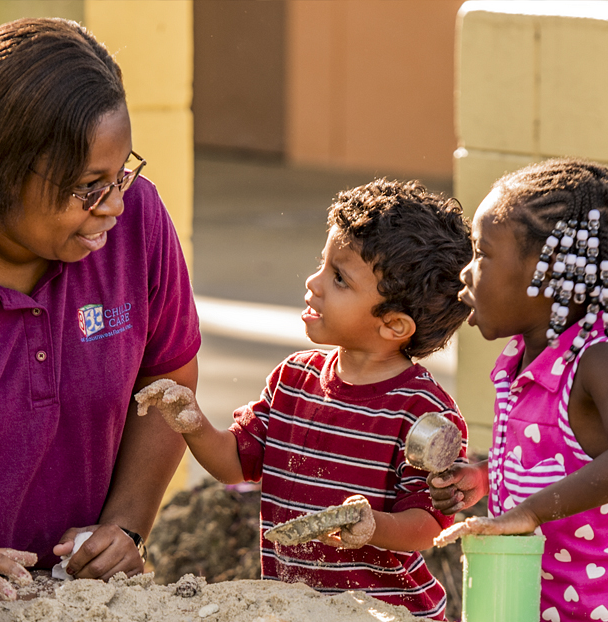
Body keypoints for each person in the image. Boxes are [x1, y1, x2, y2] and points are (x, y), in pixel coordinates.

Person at [0, 18, 200, 603]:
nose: (116, 205)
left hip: (65, 595)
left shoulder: (139, 224)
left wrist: (126, 527)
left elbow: (167, 376)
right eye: (88, 187)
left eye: (122, 173)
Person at [137, 179, 472, 619]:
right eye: (322, 263)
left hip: (386, 612)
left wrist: (374, 525)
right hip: (294, 607)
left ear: (394, 325)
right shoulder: (293, 378)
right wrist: (192, 422)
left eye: (339, 278)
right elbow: (236, 464)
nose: (313, 283)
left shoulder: (424, 413)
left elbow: (429, 525)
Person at [430, 158, 608, 621]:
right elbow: (555, 459)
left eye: (481, 254)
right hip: (545, 606)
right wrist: (486, 477)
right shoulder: (525, 359)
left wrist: (529, 514)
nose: (466, 272)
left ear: (550, 274)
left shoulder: (597, 360)